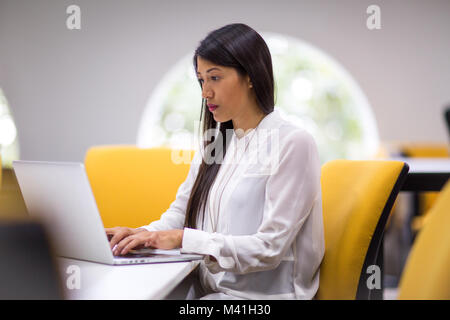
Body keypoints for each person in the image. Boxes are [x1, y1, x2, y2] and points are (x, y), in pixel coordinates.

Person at [105, 23, 324, 300]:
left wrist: (184, 239)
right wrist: (141, 235)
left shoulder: (292, 143)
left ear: (250, 76)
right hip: (212, 292)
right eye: (201, 80)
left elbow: (269, 248)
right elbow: (181, 213)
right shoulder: (218, 142)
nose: (205, 92)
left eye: (215, 78)